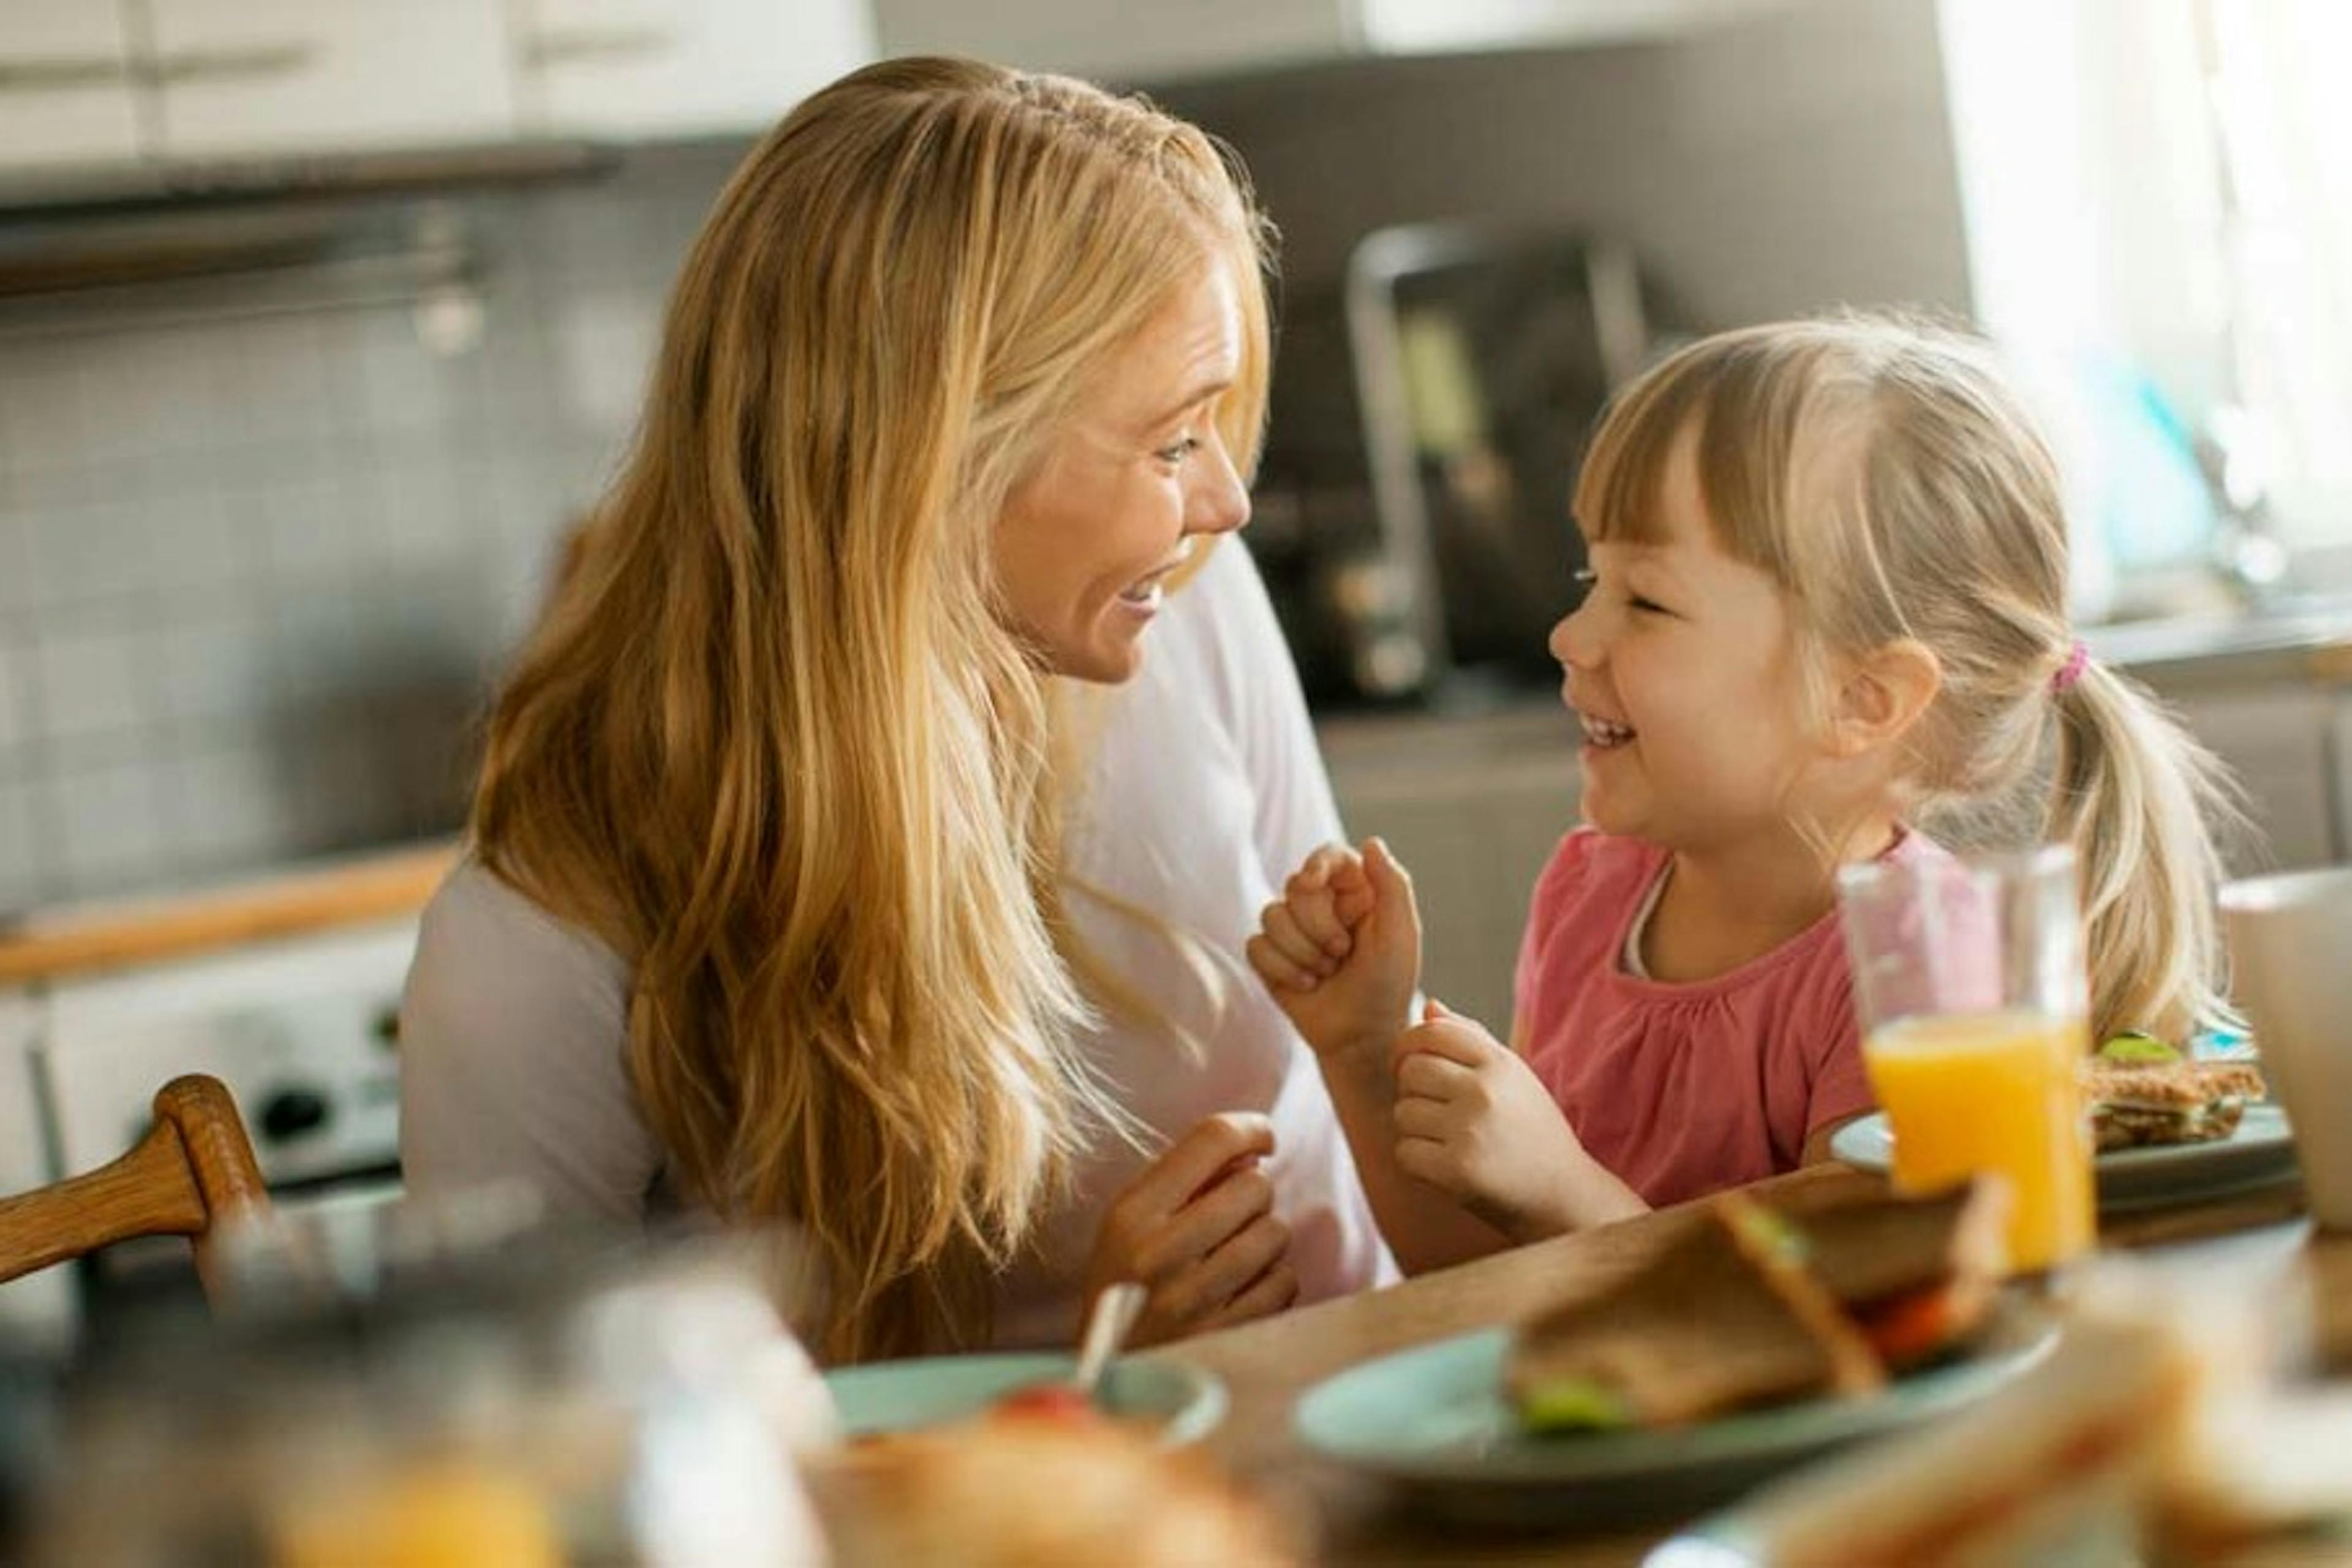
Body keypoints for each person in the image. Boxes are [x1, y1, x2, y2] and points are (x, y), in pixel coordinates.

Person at [398, 56, 1392, 1363]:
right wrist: (1087, 1376)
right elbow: (541, 1486)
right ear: (935, 461)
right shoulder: (540, 936)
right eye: (1167, 444)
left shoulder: (1193, 607)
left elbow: (1343, 1080)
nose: (1224, 504)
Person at [1250, 314, 2237, 1273]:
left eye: (1646, 599)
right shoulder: (1592, 893)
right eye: (1591, 576)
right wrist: (1363, 1047)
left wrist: (1564, 1192)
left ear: (1861, 699)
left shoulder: (1914, 961)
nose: (1571, 635)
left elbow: (1853, 1317)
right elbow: (1471, 1270)